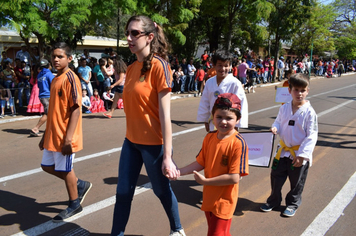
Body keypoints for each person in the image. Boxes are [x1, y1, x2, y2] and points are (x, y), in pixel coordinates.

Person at [110, 15, 185, 236]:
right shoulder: (132, 68)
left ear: (149, 37)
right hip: (131, 143)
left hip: (154, 145)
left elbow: (165, 116)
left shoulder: (161, 67)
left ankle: (177, 229)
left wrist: (167, 156)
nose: (129, 38)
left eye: (135, 33)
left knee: (161, 191)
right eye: (127, 33)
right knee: (123, 193)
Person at [177, 93, 249, 236]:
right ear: (213, 116)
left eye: (229, 118)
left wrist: (206, 181)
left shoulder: (238, 143)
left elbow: (234, 177)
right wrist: (179, 172)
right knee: (221, 233)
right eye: (219, 117)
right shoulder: (209, 137)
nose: (223, 122)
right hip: (209, 197)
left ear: (238, 119)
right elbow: (200, 162)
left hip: (224, 201)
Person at [38, 42, 92, 222]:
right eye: (54, 56)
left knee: (66, 169)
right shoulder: (55, 79)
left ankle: (74, 203)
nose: (55, 59)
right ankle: (79, 184)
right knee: (46, 166)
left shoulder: (71, 78)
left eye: (60, 56)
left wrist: (68, 139)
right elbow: (53, 110)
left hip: (65, 136)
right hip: (53, 134)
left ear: (69, 59)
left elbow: (76, 109)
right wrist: (45, 134)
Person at [260, 73, 318, 217]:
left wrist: (302, 156)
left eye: (303, 90)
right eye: (296, 90)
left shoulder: (310, 112)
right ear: (289, 90)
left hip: (297, 155)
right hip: (282, 152)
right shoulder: (284, 108)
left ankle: (292, 204)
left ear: (307, 91)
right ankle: (274, 201)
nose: (299, 94)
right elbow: (278, 122)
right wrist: (275, 128)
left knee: (297, 182)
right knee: (275, 177)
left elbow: (312, 135)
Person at [198, 52, 248, 132]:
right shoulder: (209, 82)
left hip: (229, 122)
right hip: (213, 121)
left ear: (230, 66)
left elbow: (241, 103)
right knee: (214, 142)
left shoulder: (235, 83)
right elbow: (205, 102)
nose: (223, 69)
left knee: (227, 143)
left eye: (226, 65)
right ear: (214, 65)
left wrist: (237, 124)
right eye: (220, 65)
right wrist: (205, 119)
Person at [30, 59, 54, 137]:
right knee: (47, 113)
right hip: (48, 96)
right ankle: (36, 128)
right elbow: (53, 85)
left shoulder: (39, 74)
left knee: (51, 113)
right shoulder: (49, 74)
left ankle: (52, 128)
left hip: (42, 95)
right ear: (48, 65)